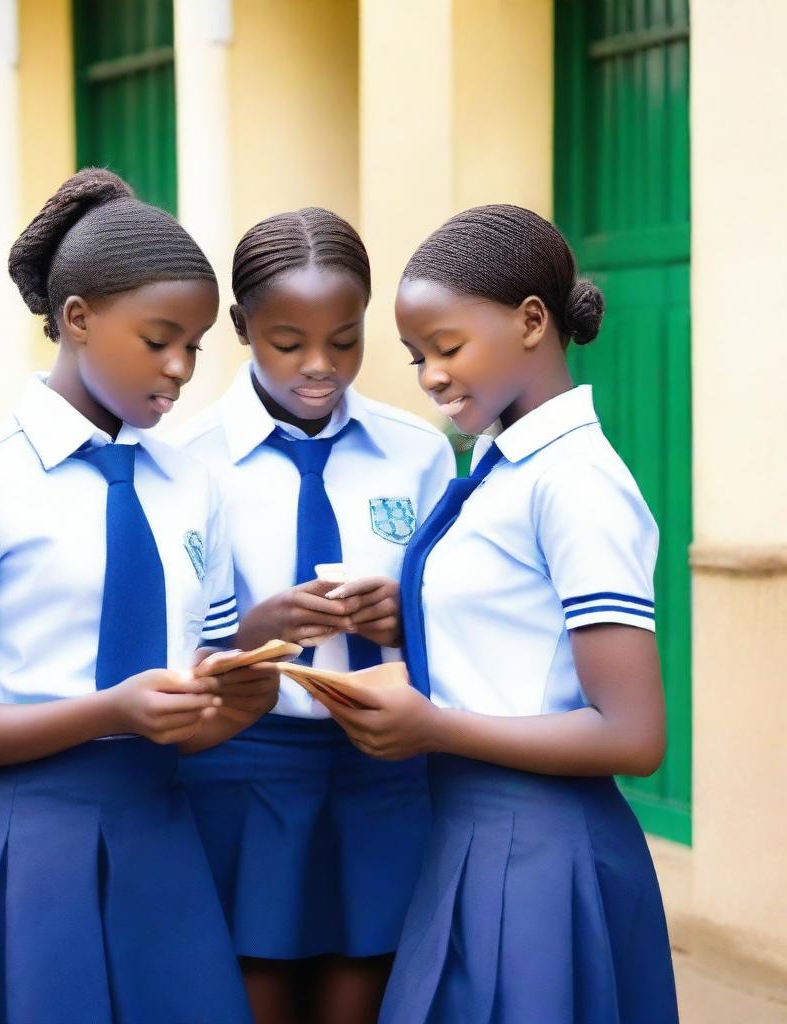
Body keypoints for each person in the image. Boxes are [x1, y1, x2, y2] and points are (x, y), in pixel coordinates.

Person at [0, 168, 277, 1024]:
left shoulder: (194, 486)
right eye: (160, 338)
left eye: (196, 346)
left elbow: (191, 700)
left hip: (161, 843)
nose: (180, 369)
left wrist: (236, 703)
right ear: (78, 318)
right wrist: (110, 712)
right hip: (17, 848)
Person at [323, 204, 679, 1023]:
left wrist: (432, 726)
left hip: (541, 853)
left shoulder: (574, 483)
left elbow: (633, 735)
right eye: (417, 358)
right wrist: (402, 617)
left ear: (531, 321)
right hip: (467, 833)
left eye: (448, 348)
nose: (432, 377)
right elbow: (518, 636)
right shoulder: (500, 462)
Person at [176, 207, 455, 1024]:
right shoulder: (187, 462)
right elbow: (163, 642)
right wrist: (249, 633)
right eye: (287, 341)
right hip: (243, 769)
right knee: (253, 993)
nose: (320, 365)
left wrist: (403, 617)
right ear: (240, 328)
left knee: (365, 989)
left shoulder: (418, 450)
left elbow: (454, 614)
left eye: (345, 338)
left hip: (384, 770)